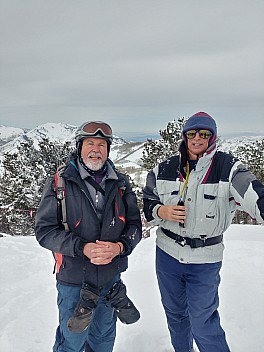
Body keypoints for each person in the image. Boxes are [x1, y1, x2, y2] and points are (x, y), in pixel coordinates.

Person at [143, 112, 264, 352]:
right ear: (184, 136)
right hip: (167, 254)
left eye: (204, 133)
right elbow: (147, 202)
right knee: (175, 315)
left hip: (205, 258)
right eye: (192, 133)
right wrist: (160, 211)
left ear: (213, 137)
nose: (197, 138)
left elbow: (254, 194)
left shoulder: (228, 169)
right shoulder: (163, 169)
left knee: (202, 321)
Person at [35, 121, 142, 352]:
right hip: (73, 280)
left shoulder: (121, 183)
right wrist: (81, 248)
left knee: (103, 341)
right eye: (90, 143)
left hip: (110, 280)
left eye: (102, 144)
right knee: (71, 343)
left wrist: (120, 247)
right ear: (79, 147)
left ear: (109, 149)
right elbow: (44, 231)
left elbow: (134, 226)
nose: (96, 149)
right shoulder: (60, 182)